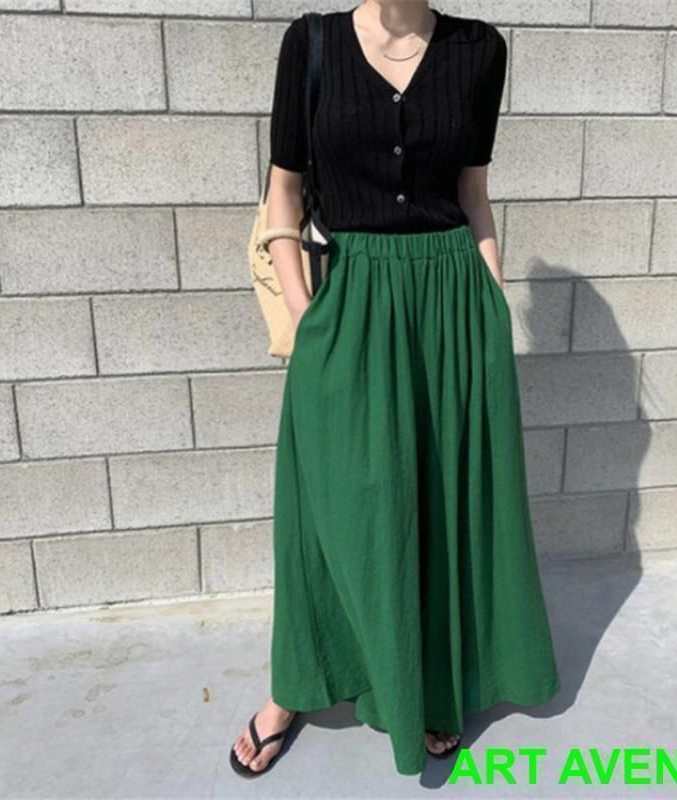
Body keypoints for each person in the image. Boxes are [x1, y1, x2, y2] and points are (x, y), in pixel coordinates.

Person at [231, 0, 560, 778]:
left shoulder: (479, 50)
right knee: (327, 508)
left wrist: (491, 305)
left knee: (438, 501)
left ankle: (429, 684)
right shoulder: (311, 43)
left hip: (452, 300)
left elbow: (473, 192)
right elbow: (284, 191)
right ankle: (295, 685)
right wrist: (310, 318)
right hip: (351, 298)